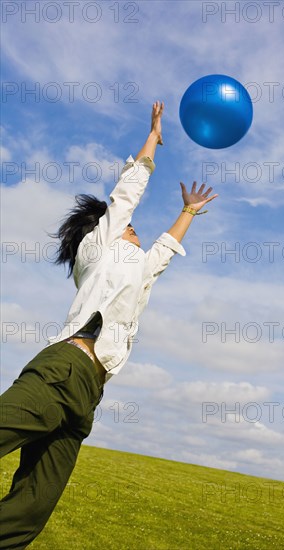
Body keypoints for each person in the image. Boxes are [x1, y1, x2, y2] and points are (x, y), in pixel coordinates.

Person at [0, 100, 218, 548]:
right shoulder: (95, 251)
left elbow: (160, 255)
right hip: (61, 369)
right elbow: (126, 193)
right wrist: (154, 136)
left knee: (30, 511)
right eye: (128, 227)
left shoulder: (134, 267)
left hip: (88, 394)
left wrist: (189, 212)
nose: (134, 229)